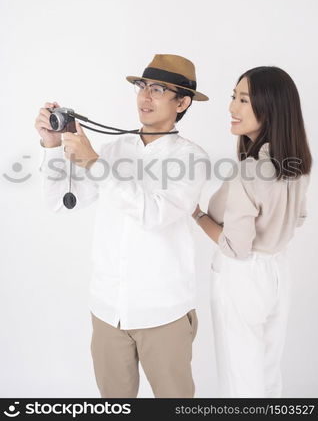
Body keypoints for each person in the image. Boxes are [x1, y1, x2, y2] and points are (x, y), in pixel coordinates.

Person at [35, 54, 211, 398]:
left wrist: (96, 165)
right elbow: (61, 201)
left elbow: (156, 214)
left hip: (164, 315)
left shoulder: (191, 158)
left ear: (183, 102)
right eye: (141, 86)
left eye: (158, 89)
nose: (144, 97)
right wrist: (52, 147)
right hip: (106, 313)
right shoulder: (114, 150)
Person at [192, 66, 312, 398]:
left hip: (243, 276)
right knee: (267, 371)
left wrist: (198, 214)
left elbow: (235, 247)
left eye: (244, 99)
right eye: (234, 97)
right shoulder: (298, 162)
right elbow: (298, 218)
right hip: (277, 271)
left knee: (240, 377)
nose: (232, 108)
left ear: (270, 106)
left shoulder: (251, 170)